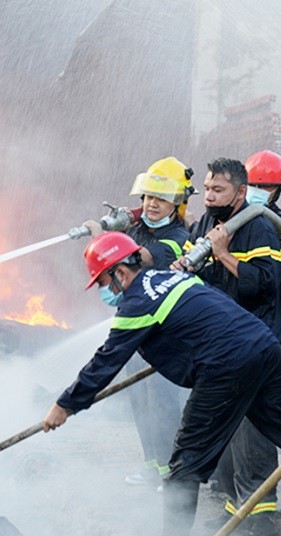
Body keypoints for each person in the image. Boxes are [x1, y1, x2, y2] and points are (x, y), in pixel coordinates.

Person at [42, 231, 281, 536]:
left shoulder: (138, 302)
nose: (103, 291)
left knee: (184, 462)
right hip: (262, 345)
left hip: (227, 364)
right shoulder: (169, 277)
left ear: (121, 273)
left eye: (102, 282)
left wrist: (64, 405)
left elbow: (105, 362)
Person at [177, 158, 281, 526]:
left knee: (251, 429)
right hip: (222, 344)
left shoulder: (260, 226)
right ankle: (232, 506)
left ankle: (260, 514)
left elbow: (264, 284)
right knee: (222, 424)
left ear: (240, 192)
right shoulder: (209, 221)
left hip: (255, 342)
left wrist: (223, 253)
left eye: (218, 190)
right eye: (207, 189)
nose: (209, 197)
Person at [82, 157, 195, 486]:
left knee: (163, 403)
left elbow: (141, 258)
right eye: (147, 197)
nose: (152, 204)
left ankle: (171, 474)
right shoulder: (136, 228)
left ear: (177, 202)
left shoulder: (178, 236)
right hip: (134, 330)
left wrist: (100, 239)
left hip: (163, 335)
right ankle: (152, 469)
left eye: (160, 198)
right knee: (140, 400)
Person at [244, 150, 281, 228]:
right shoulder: (229, 211)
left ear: (279, 189)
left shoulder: (280, 223)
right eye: (252, 185)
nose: (257, 190)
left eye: (265, 186)